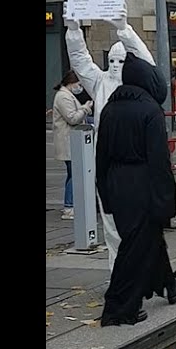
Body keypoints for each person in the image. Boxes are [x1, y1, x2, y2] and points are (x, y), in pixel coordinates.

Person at [95, 53, 176, 326]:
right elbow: (159, 160)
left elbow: (101, 156)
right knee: (136, 247)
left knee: (147, 238)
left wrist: (104, 192)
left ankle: (169, 284)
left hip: (116, 182)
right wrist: (166, 200)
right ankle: (119, 307)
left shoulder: (110, 109)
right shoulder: (150, 110)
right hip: (142, 182)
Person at [65, 14, 153, 270]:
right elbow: (81, 62)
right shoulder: (100, 83)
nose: (115, 66)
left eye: (121, 61)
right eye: (111, 60)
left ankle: (147, 278)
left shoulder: (141, 86)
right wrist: (73, 32)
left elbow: (147, 61)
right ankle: (122, 278)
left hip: (136, 164)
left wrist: (124, 29)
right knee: (113, 226)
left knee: (139, 227)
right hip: (108, 164)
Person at [53, 70, 94, 219]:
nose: (79, 87)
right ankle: (69, 206)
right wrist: (85, 108)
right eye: (78, 84)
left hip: (70, 141)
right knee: (74, 175)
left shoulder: (66, 95)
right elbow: (72, 118)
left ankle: (70, 205)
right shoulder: (63, 97)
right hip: (68, 141)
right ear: (71, 82)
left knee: (73, 174)